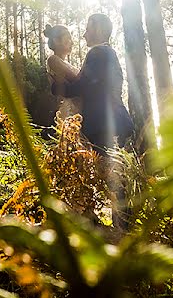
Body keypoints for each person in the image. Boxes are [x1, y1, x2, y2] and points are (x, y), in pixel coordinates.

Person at [55, 14, 134, 228]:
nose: (83, 33)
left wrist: (57, 87)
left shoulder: (98, 53)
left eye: (87, 28)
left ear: (98, 29)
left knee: (112, 176)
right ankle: (118, 226)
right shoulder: (106, 53)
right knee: (111, 174)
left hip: (105, 123)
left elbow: (84, 84)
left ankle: (122, 230)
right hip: (111, 121)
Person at [43, 24, 81, 121]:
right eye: (68, 38)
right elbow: (76, 80)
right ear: (56, 41)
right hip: (68, 111)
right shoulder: (53, 60)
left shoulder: (67, 64)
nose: (71, 43)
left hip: (78, 111)